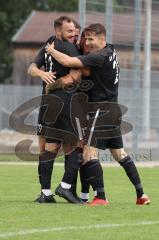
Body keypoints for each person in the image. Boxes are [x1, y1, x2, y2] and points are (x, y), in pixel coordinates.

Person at [45, 23, 150, 205]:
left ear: (102, 38)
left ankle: (99, 197)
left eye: (91, 39)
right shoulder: (111, 51)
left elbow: (69, 63)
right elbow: (86, 70)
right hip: (113, 110)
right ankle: (141, 195)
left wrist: (51, 51)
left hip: (102, 110)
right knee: (119, 154)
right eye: (86, 38)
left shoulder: (99, 56)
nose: (88, 42)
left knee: (88, 153)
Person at [28, 16, 82, 203]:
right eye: (69, 31)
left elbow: (32, 67)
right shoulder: (68, 47)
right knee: (74, 146)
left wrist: (42, 73)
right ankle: (67, 188)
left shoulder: (50, 43)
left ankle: (46, 193)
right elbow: (74, 71)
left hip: (47, 103)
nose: (74, 33)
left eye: (75, 30)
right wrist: (43, 74)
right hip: (64, 102)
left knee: (47, 149)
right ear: (58, 31)